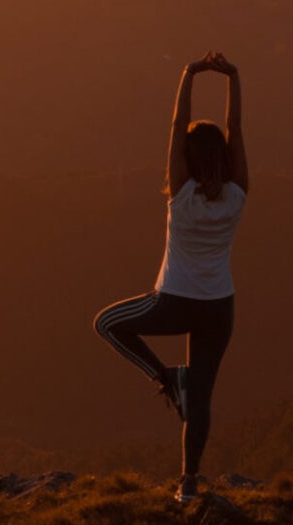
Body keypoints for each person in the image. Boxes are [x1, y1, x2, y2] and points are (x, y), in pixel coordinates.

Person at [93, 53, 248, 502]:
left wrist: (189, 73)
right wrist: (233, 78)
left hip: (175, 300)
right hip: (220, 307)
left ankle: (164, 379)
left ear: (187, 156)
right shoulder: (237, 194)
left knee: (106, 324)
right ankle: (189, 485)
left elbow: (176, 124)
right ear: (223, 155)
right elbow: (235, 129)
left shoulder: (180, 195)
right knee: (200, 400)